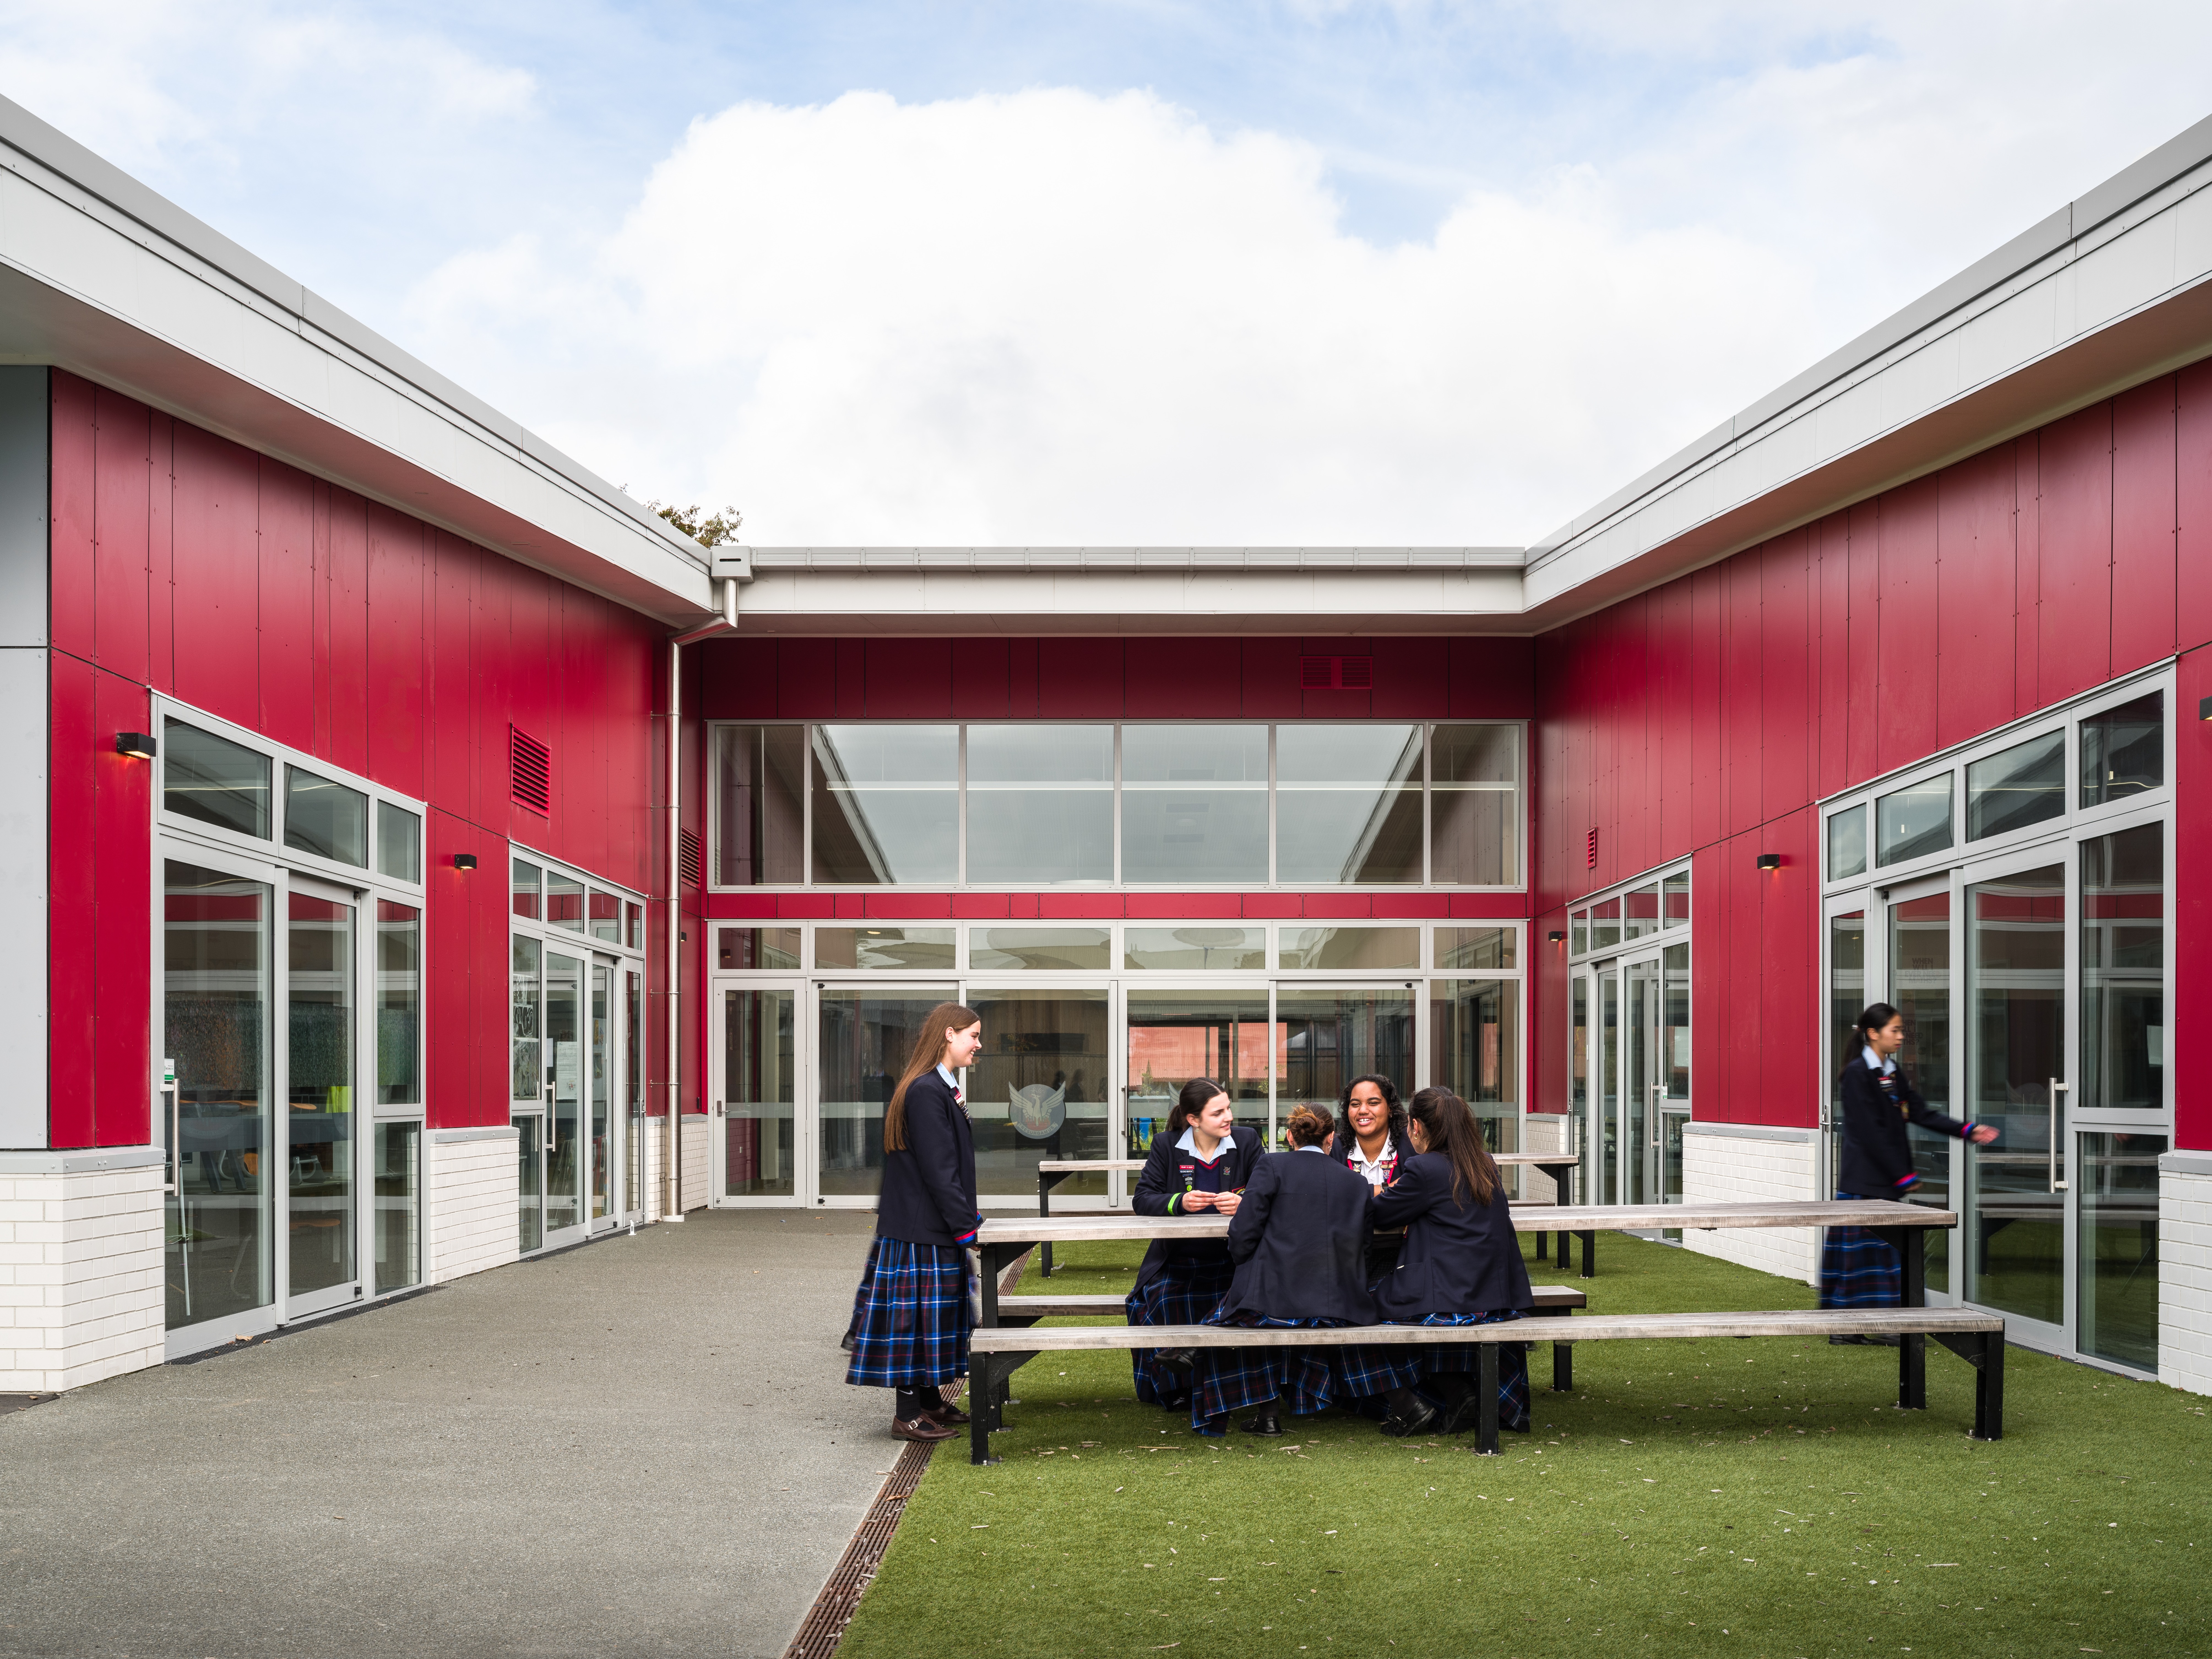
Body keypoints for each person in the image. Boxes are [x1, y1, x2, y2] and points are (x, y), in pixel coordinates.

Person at [1342, 1086, 1535, 1438]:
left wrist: (1375, 1190)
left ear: (1415, 1127)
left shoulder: (1424, 1168)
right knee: (1380, 1301)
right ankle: (1457, 1393)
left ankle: (1407, 1405)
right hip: (1493, 1296)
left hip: (1450, 1296)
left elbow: (1379, 1213)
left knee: (1351, 1310)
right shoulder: (1483, 1162)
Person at [1185, 1104, 1378, 1436]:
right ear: (1331, 1138)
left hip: (1274, 1303)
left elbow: (1243, 1233)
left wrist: (1245, 1261)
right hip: (1335, 1307)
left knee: (1252, 1304)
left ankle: (1267, 1415)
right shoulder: (1357, 1184)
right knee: (1263, 1300)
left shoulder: (1271, 1165)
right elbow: (1363, 1248)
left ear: (1290, 1137)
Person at [845, 1002, 986, 1442]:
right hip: (922, 1230)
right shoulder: (927, 1091)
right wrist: (968, 1228)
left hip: (923, 1226)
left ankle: (928, 1402)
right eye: (973, 1036)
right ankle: (908, 1416)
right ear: (949, 1034)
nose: (978, 1045)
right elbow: (938, 1170)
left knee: (929, 1322)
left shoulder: (937, 1087)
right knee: (915, 1326)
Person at [1823, 1002, 1998, 1341]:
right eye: (1895, 1030)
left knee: (1882, 1258)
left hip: (1883, 1184)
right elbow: (1869, 1133)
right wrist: (1902, 1175)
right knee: (1867, 1260)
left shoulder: (1891, 1072)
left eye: (1901, 1030)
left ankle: (1866, 1328)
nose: (1902, 1036)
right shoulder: (1857, 1075)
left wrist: (1967, 1131)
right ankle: (1874, 1328)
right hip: (1863, 1184)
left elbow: (1920, 1113)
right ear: (1873, 1034)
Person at [1124, 1078, 1265, 1411]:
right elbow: (1142, 1199)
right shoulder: (1166, 1145)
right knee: (1162, 1301)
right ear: (1193, 1120)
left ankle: (1228, 1390)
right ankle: (1176, 1389)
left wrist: (1244, 1202)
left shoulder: (1246, 1141)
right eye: (1218, 1112)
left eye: (1228, 1107)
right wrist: (1180, 1202)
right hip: (1178, 1259)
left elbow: (1268, 1191)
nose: (1229, 1116)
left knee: (1242, 1304)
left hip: (1235, 1261)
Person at [1332, 1073, 1415, 1279]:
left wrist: (1353, 1198)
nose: (1362, 1111)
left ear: (1390, 1109)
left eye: (1373, 1103)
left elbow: (1416, 1199)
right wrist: (1387, 1190)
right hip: (1342, 1259)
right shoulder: (1333, 1148)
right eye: (1355, 1104)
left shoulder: (1412, 1147)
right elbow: (1327, 1197)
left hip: (1404, 1256)